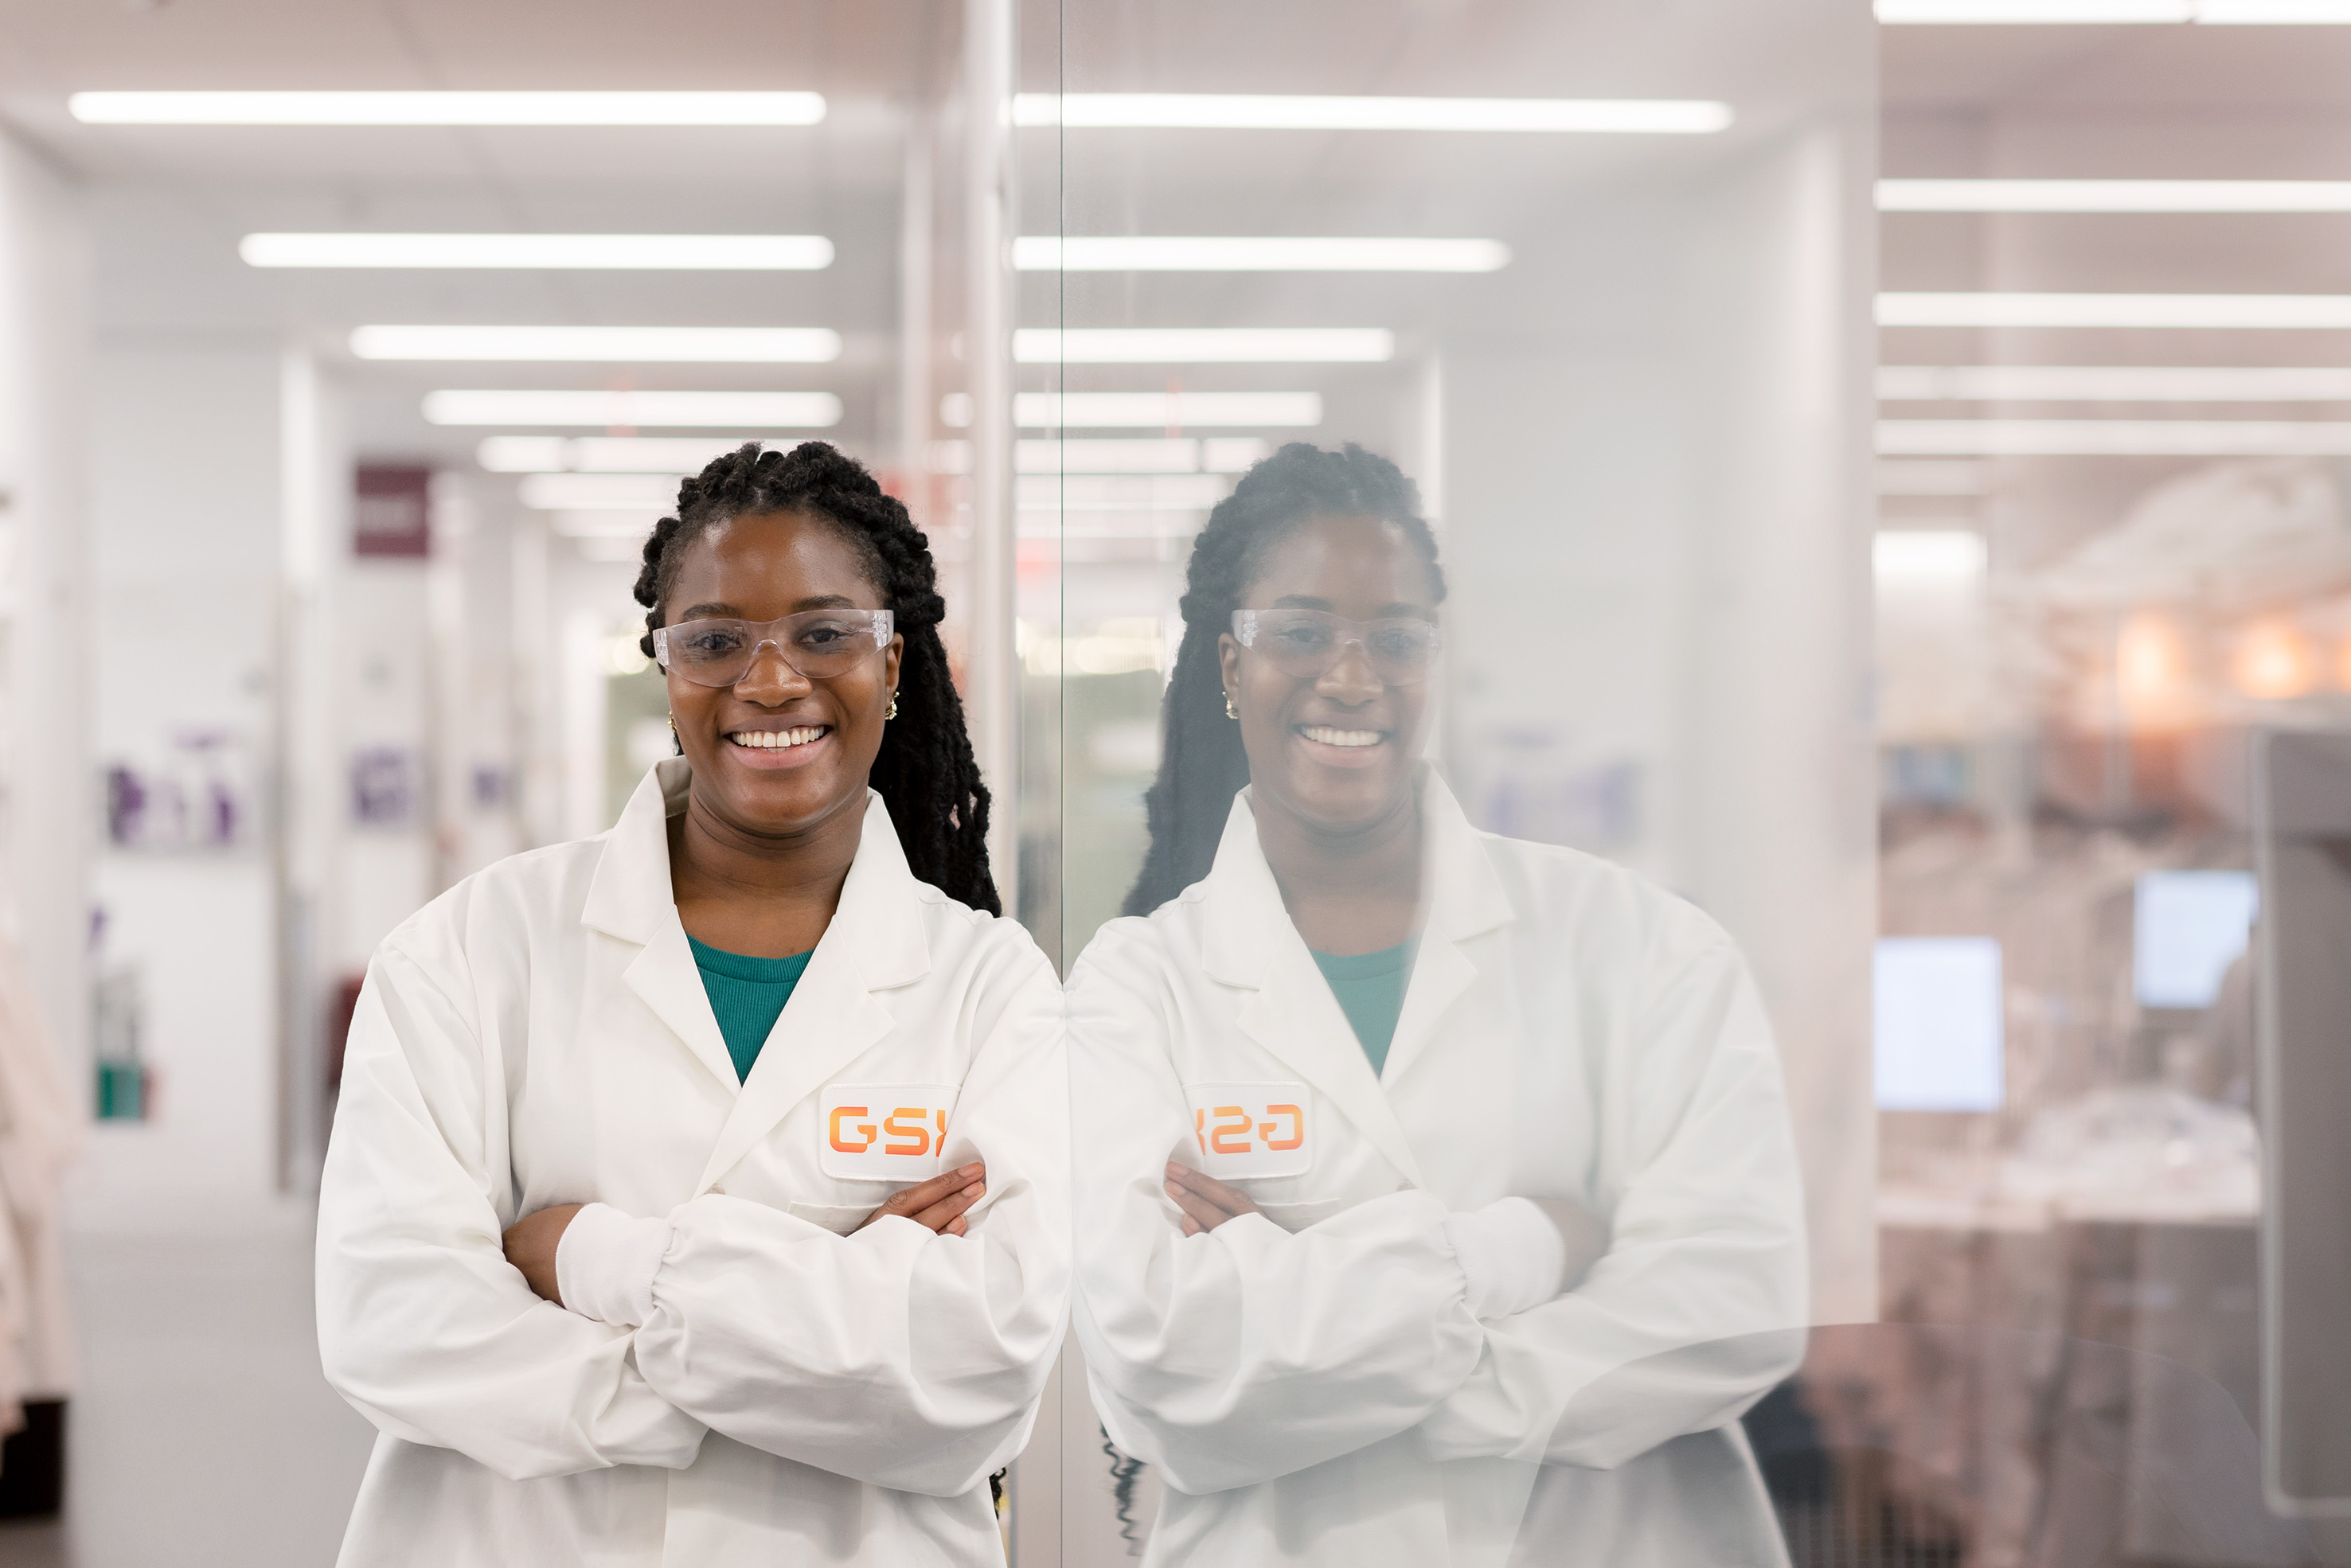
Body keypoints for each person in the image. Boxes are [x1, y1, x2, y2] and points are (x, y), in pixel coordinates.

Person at [317, 443, 1068, 1567]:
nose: (771, 682)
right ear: (666, 668)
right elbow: (395, 1323)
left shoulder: (987, 986)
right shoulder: (471, 950)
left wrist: (593, 1262)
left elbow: (982, 1369)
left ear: (893, 660)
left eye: (825, 633)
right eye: (716, 641)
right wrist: (812, 1369)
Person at [1066, 443, 1808, 1565]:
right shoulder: (1139, 987)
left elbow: (1730, 1299)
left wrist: (1320, 1362)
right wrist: (1528, 1247)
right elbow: (1158, 1366)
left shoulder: (1642, 947)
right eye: (1301, 631)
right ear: (1229, 662)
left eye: (1396, 637)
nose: (1352, 676)